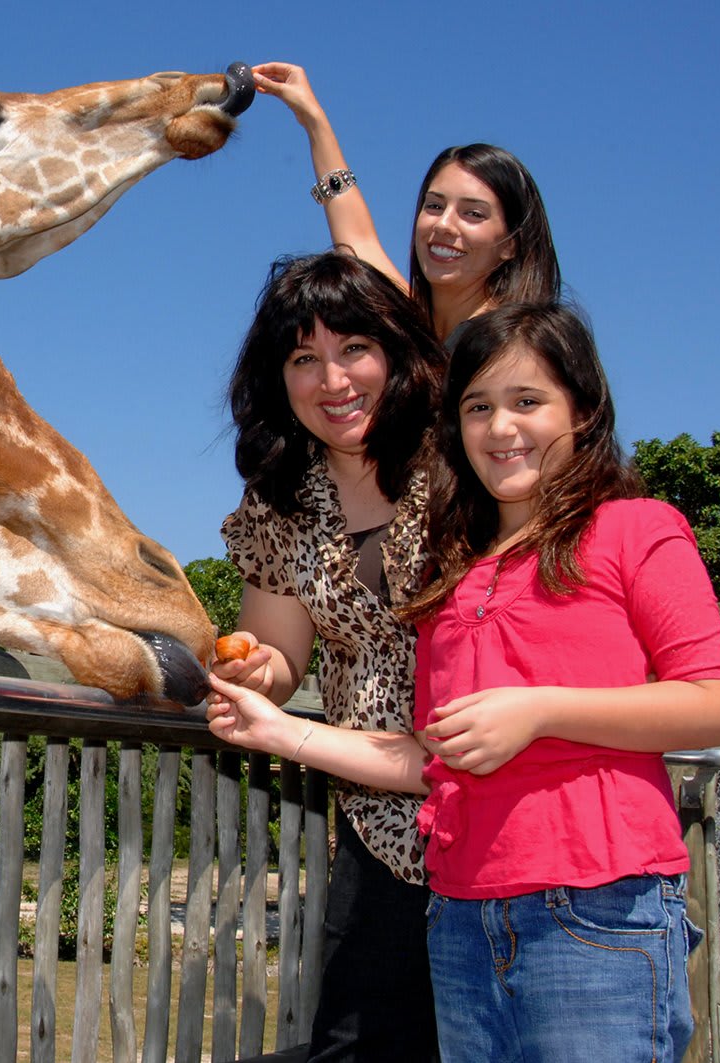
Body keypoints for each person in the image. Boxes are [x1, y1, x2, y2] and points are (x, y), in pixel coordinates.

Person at [208, 303, 720, 1062]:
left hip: (596, 909)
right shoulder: (453, 582)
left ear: (583, 411)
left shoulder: (636, 527)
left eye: (528, 402)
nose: (501, 428)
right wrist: (275, 728)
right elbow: (430, 758)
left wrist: (541, 711)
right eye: (478, 408)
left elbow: (714, 702)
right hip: (461, 916)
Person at [217, 250, 447, 1060]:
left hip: (499, 811)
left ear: (395, 353)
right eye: (303, 357)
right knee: (356, 1043)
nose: (333, 378)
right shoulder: (282, 498)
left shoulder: (464, 458)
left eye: (353, 348)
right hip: (380, 820)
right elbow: (281, 653)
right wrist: (254, 670)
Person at [252, 62, 560, 344]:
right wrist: (312, 119)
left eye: (473, 213)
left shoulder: (515, 344)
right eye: (435, 206)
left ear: (511, 244)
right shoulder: (419, 330)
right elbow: (359, 241)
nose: (444, 224)